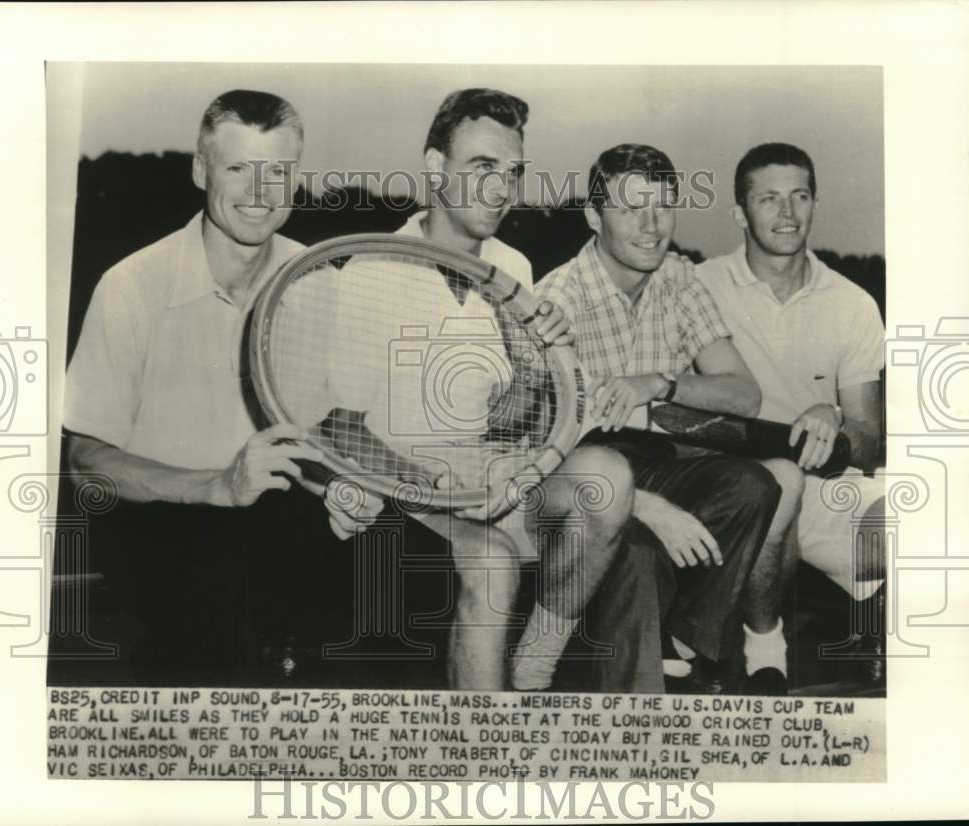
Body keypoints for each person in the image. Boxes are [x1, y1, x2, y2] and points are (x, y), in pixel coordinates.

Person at [321, 88, 640, 692]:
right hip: (403, 490)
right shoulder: (370, 271)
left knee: (609, 479)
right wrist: (430, 481)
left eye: (513, 172)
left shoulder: (515, 268)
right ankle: (481, 753)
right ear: (436, 167)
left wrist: (535, 366)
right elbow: (338, 422)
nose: (501, 188)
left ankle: (533, 666)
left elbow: (516, 418)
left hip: (487, 480)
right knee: (492, 562)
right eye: (482, 167)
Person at [61, 89, 376, 684]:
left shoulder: (320, 283)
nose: (260, 194)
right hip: (165, 532)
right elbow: (85, 463)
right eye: (238, 168)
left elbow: (339, 429)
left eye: (278, 172)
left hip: (282, 537)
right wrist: (217, 485)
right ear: (201, 170)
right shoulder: (130, 285)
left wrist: (345, 486)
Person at [537, 143, 801, 694]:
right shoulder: (558, 301)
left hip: (657, 460)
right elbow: (542, 454)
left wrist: (660, 382)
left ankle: (682, 643)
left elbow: (743, 395)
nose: (652, 225)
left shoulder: (678, 279)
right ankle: (639, 702)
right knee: (636, 552)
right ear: (594, 216)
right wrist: (648, 508)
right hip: (578, 482)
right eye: (632, 207)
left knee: (756, 485)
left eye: (662, 205)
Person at [697, 142, 885, 675]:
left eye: (799, 196)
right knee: (776, 488)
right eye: (768, 199)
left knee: (933, 528)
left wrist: (833, 416)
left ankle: (871, 617)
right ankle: (759, 649)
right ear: (739, 212)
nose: (786, 213)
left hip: (826, 488)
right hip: (737, 490)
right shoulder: (698, 286)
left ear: (815, 204)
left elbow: (869, 440)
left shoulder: (852, 301)